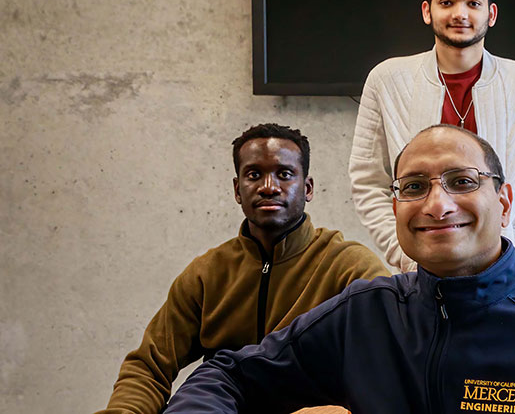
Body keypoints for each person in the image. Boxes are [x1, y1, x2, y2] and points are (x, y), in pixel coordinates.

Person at [164, 125, 515, 414]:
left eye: (462, 182)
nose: (437, 204)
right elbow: (229, 375)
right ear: (396, 208)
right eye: (413, 186)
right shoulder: (363, 314)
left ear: (504, 201)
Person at [99, 124, 389, 413]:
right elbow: (149, 367)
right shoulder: (206, 274)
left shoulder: (350, 267)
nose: (268, 186)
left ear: (308, 188)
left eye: (284, 174)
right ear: (238, 190)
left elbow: (390, 361)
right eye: (254, 175)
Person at [349, 0, 515, 272]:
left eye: (473, 3)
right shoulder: (387, 80)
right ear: (427, 11)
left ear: (491, 14)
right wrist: (402, 249)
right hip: (419, 269)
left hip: (500, 271)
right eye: (447, 2)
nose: (460, 14)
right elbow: (367, 179)